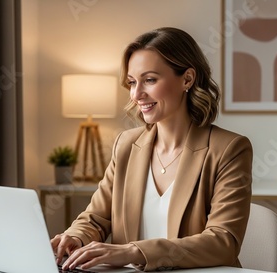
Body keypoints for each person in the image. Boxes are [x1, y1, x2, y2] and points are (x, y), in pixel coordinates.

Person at [51, 27, 253, 271]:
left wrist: (133, 251)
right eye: (132, 82)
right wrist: (76, 237)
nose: (136, 94)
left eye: (150, 80)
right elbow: (96, 217)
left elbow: (223, 242)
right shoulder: (126, 145)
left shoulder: (229, 149)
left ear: (187, 79)